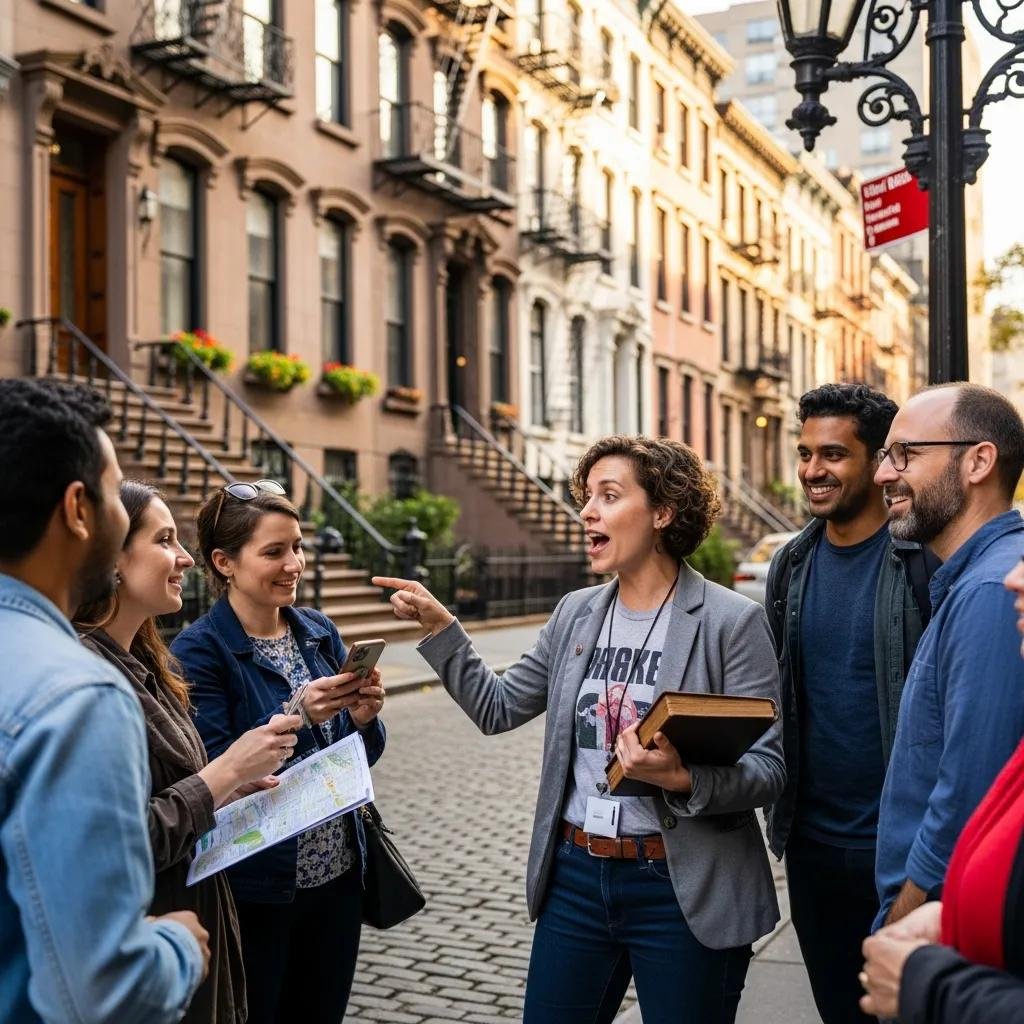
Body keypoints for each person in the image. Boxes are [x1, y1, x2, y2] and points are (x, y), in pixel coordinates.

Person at [374, 435, 785, 1024]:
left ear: (664, 512)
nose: (587, 511)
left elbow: (768, 770)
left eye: (609, 496)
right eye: (586, 496)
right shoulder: (576, 613)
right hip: (576, 877)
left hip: (681, 887)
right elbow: (497, 707)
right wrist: (444, 630)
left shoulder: (731, 622)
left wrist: (683, 778)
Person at [0, 378, 209, 1023]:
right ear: (78, 509)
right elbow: (108, 991)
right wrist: (179, 946)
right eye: (115, 492)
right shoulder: (79, 696)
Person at [75, 480, 305, 1023]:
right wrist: (225, 771)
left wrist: (230, 787)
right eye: (164, 540)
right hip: (150, 941)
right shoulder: (87, 677)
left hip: (197, 922)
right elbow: (120, 843)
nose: (184, 558)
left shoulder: (148, 662)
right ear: (112, 559)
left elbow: (175, 788)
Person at [171, 481, 387, 1024]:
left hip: (338, 874)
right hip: (257, 885)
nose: (294, 564)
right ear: (224, 562)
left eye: (296, 546)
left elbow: (358, 758)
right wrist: (298, 711)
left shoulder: (316, 630)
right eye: (273, 552)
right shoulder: (199, 650)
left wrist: (363, 718)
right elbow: (216, 773)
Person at [763, 383, 938, 1023]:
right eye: (806, 453)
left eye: (833, 454)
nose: (813, 470)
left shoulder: (923, 562)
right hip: (811, 845)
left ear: (879, 460)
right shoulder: (791, 564)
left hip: (901, 852)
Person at [873, 383, 1024, 929]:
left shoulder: (991, 590)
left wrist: (899, 925)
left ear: (978, 461)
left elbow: (968, 800)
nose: (882, 474)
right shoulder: (977, 578)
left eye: (905, 454)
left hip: (941, 925)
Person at [858, 553, 1024, 1022]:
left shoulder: (984, 590)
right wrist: (951, 915)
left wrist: (928, 985)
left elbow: (960, 804)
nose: (1015, 577)